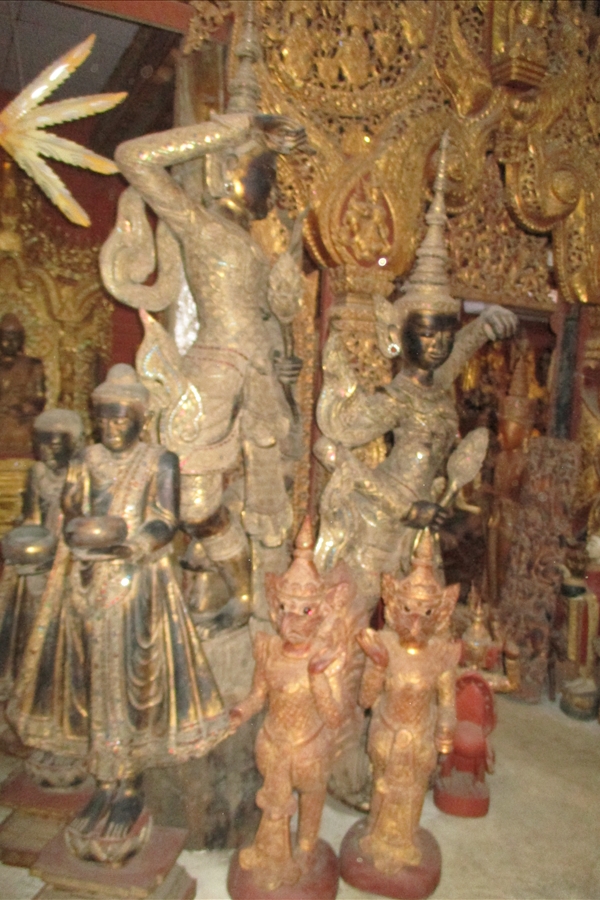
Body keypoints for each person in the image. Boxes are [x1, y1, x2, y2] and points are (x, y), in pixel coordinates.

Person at [100, 5, 308, 632]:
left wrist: (284, 358)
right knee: (191, 496)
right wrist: (232, 128)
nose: (271, 186)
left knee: (263, 487)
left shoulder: (256, 245)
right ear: (225, 170)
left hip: (258, 375)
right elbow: (134, 157)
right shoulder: (200, 225)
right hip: (215, 365)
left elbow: (269, 316)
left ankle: (246, 593)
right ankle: (223, 581)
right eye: (264, 170)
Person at [8, 365, 228, 858]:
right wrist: (79, 534)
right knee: (91, 681)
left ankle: (127, 787)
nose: (110, 428)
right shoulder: (86, 459)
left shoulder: (158, 460)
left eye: (120, 419)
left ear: (140, 419)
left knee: (133, 686)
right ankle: (103, 785)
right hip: (86, 581)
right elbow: (71, 510)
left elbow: (166, 520)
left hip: (138, 585)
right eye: (103, 419)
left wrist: (133, 545)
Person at [315, 133, 517, 609]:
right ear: (398, 334)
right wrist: (402, 506)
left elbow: (455, 355)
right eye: (425, 334)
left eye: (444, 333)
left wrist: (483, 326)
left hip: (424, 526)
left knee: (421, 623)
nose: (437, 344)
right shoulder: (395, 399)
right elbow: (331, 448)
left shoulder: (437, 386)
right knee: (353, 618)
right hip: (380, 527)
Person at [0, 408, 83, 702]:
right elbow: (33, 516)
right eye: (41, 444)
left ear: (74, 444)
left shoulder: (82, 473)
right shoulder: (37, 473)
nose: (46, 452)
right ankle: (24, 679)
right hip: (42, 547)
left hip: (71, 548)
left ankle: (58, 684)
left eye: (56, 445)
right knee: (23, 599)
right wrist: (21, 540)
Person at [0, 312, 45, 457]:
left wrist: (26, 407)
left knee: (23, 433)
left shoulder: (33, 365)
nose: (10, 343)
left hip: (20, 418)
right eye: (6, 338)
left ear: (21, 341)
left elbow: (39, 397)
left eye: (15, 339)